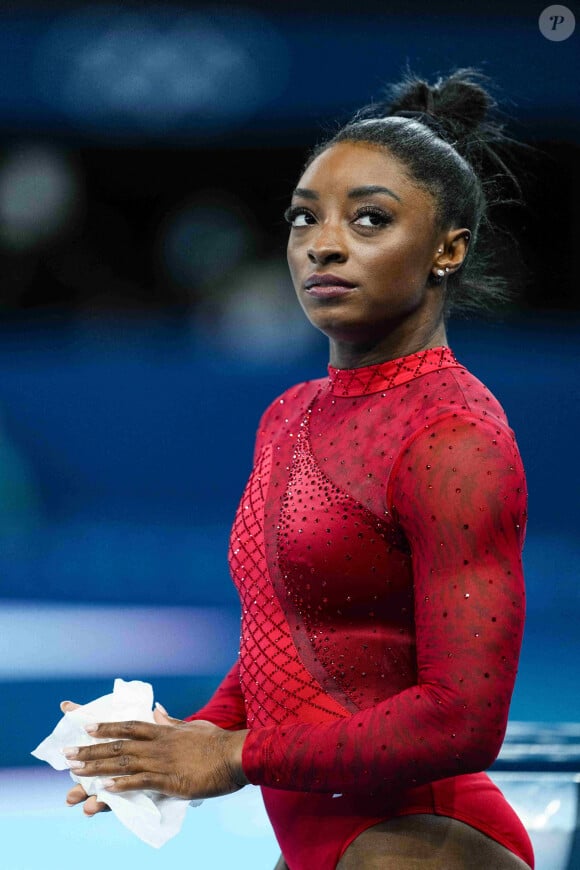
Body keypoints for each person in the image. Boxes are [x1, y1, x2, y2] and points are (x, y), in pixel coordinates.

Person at [60, 68, 535, 869]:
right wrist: (194, 734)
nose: (324, 242)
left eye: (370, 220)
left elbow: (464, 721)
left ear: (447, 250)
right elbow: (299, 631)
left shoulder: (453, 437)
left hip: (416, 839)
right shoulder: (291, 412)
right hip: (322, 835)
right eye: (303, 218)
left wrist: (236, 758)